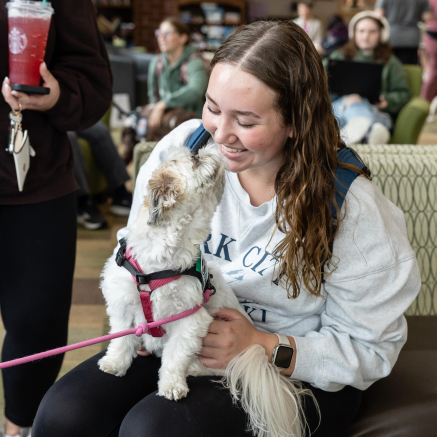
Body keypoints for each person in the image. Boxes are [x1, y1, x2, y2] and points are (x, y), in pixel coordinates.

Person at [33, 20, 420, 437]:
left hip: (297, 369)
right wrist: (144, 322)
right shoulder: (185, 148)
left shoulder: (351, 206)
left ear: (295, 121)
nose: (221, 134)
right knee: (63, 415)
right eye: (213, 107)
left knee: (153, 430)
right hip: (184, 337)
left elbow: (371, 348)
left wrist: (262, 344)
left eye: (246, 121)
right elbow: (138, 254)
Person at [0, 0, 113, 436]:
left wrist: (58, 93)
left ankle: (18, 429)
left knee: (36, 326)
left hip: (33, 183)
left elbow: (94, 82)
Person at [121, 17, 209, 164]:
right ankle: (134, 159)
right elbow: (152, 95)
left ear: (182, 37)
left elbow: (196, 91)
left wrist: (164, 104)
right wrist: (154, 107)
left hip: (190, 116)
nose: (161, 37)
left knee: (164, 127)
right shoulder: (157, 62)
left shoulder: (194, 62)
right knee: (134, 119)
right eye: (159, 33)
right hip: (165, 113)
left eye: (168, 32)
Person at [325, 11, 411, 145]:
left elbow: (404, 94)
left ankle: (352, 134)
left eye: (372, 32)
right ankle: (371, 132)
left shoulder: (391, 62)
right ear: (354, 33)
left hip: (375, 109)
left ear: (381, 34)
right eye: (361, 31)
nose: (366, 36)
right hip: (340, 107)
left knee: (361, 106)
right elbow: (319, 86)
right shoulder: (338, 57)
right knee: (354, 102)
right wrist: (349, 99)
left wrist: (386, 100)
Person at [68, 121, 132, 230]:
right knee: (69, 136)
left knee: (100, 131)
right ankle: (83, 203)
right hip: (41, 119)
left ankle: (120, 193)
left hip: (62, 114)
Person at [375, 0, 432, 65]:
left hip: (391, 35)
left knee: (388, 65)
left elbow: (379, 15)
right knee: (408, 68)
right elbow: (427, 17)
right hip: (411, 37)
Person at [421, 0, 437, 103]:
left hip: (430, 35)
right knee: (433, 72)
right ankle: (424, 102)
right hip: (432, 36)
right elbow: (426, 16)